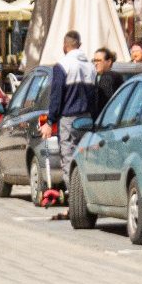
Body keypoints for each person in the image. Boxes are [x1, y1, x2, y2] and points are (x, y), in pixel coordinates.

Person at [45, 30, 97, 181]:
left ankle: (74, 198)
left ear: (64, 46)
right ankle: (85, 196)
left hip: (68, 119)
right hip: (87, 119)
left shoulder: (62, 66)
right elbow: (94, 97)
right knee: (86, 159)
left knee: (68, 158)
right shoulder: (90, 66)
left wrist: (50, 121)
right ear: (79, 45)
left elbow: (56, 96)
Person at [92, 48, 126, 116]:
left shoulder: (108, 77)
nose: (95, 63)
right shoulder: (98, 77)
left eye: (98, 60)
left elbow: (104, 104)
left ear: (109, 62)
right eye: (94, 60)